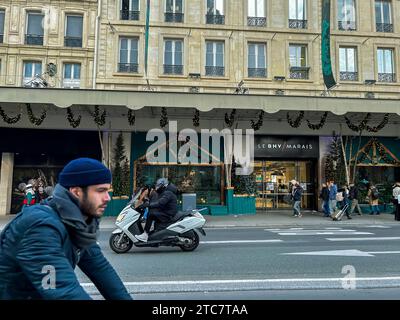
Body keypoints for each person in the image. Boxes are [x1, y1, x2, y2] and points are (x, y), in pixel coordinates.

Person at [0, 158, 132, 300]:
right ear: (76, 192)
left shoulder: (76, 223)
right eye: (101, 191)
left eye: (108, 191)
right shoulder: (40, 227)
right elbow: (62, 291)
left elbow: (100, 269)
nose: (108, 198)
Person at [135, 178, 178, 242]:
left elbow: (160, 203)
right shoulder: (164, 192)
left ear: (163, 186)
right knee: (152, 211)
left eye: (158, 186)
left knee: (150, 215)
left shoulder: (168, 193)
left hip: (168, 214)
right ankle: (154, 233)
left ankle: (145, 235)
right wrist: (147, 202)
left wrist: (148, 205)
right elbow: (157, 201)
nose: (157, 187)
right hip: (166, 211)